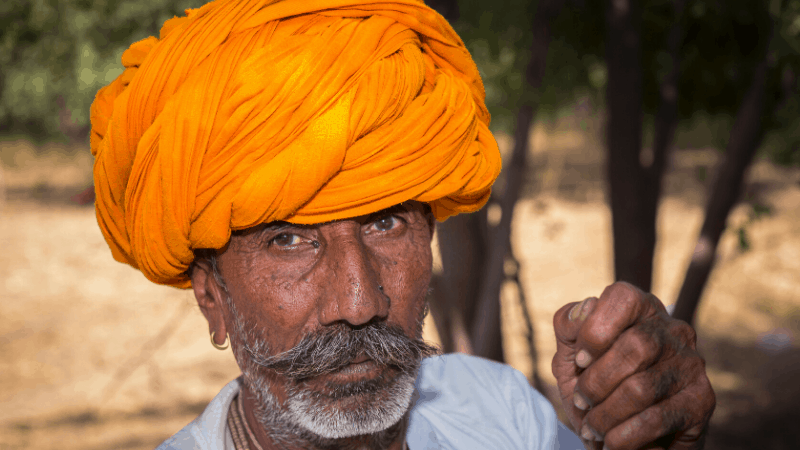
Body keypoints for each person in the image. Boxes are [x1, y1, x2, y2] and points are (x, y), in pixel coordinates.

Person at [89, 1, 715, 449]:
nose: (360, 303)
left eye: (386, 222)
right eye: (288, 239)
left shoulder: (499, 414)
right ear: (211, 298)